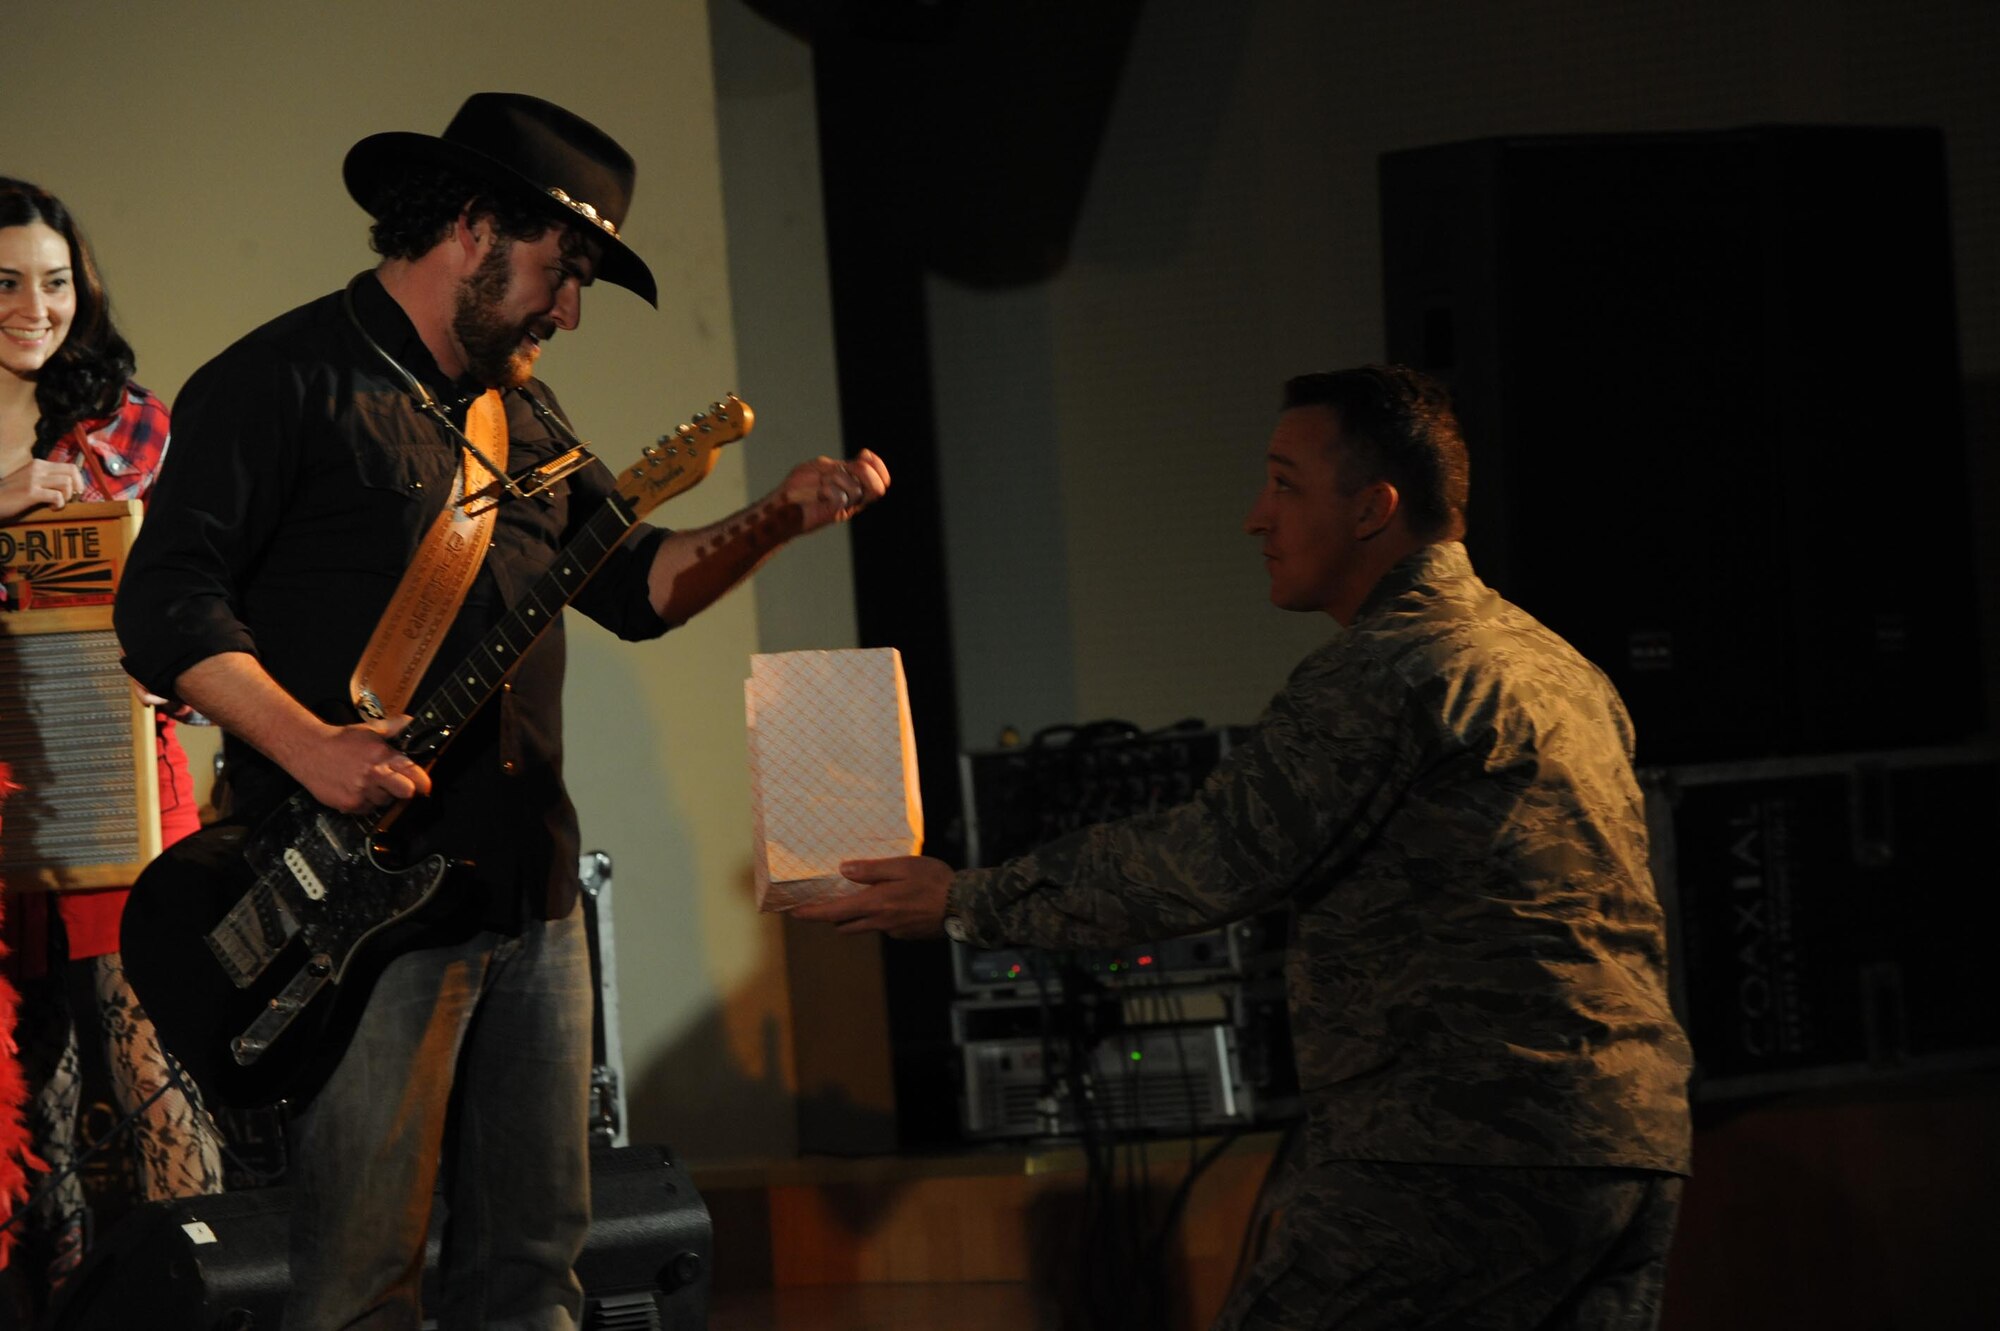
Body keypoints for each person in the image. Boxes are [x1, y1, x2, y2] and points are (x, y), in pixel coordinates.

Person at [113, 93, 887, 1329]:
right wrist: (312, 748)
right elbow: (163, 606)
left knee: (534, 1270)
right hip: (362, 907)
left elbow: (635, 586)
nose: (568, 310)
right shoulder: (280, 380)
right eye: (557, 270)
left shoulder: (519, 413)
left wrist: (776, 520)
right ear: (472, 230)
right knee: (363, 1277)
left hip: (529, 895)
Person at [799, 366, 1694, 1330]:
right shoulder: (1561, 667)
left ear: (1374, 508)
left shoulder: (1392, 668)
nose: (1255, 517)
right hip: (1628, 1140)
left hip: (1461, 1147)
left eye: (1284, 484)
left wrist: (967, 900)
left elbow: (1213, 856)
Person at [0, 177, 223, 1301]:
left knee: (150, 1053)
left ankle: (214, 1298)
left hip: (119, 770)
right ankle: (59, 1300)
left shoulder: (124, 421)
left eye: (53, 280)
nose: (32, 307)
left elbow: (189, 596)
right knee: (28, 1080)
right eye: (3, 282)